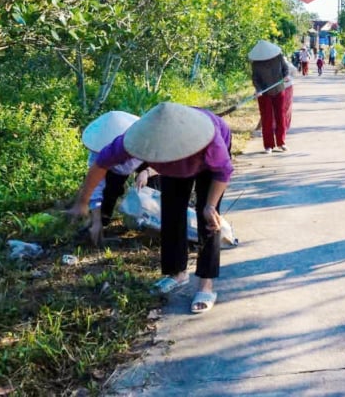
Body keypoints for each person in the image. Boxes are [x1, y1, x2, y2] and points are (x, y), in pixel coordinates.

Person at [71, 102, 233, 314]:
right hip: (174, 170)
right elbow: (100, 164)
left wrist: (210, 205)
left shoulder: (210, 138)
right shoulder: (135, 137)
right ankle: (177, 273)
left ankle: (205, 284)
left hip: (207, 167)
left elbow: (223, 172)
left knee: (208, 221)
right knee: (171, 213)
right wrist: (82, 202)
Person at [69, 111, 159, 241]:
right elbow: (95, 186)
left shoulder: (145, 141)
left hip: (146, 164)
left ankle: (155, 221)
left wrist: (147, 172)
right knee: (109, 192)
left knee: (157, 184)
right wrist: (96, 220)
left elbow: (168, 163)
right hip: (115, 172)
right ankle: (100, 224)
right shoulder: (98, 155)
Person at [248, 40, 293, 154]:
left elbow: (285, 69)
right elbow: (255, 79)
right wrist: (258, 90)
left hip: (279, 89)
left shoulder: (278, 57)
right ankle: (268, 145)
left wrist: (286, 76)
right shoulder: (256, 63)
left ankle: (281, 142)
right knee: (266, 118)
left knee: (280, 116)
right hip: (264, 93)